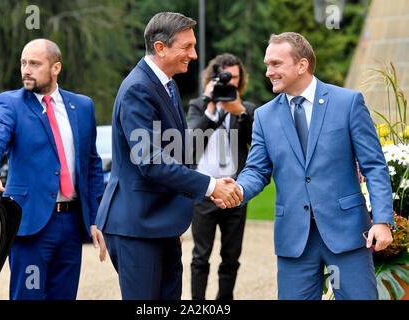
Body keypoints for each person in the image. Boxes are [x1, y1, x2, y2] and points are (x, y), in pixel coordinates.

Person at [213, 32, 394, 300]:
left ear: (301, 65)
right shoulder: (264, 116)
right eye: (266, 65)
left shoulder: (348, 103)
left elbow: (374, 166)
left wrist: (382, 220)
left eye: (276, 64)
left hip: (347, 234)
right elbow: (257, 171)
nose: (268, 72)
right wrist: (237, 188)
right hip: (294, 240)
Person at [95, 12, 242, 300]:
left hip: (160, 224)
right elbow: (151, 161)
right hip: (137, 227)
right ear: (160, 47)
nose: (194, 54)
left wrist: (176, 214)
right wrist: (211, 187)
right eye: (186, 47)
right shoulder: (138, 88)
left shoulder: (167, 83)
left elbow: (177, 150)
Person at [0, 39, 106, 300]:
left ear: (56, 67)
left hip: (71, 224)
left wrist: (95, 219)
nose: (26, 69)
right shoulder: (11, 103)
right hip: (31, 225)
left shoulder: (82, 106)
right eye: (23, 63)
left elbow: (91, 164)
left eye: (35, 64)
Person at [187, 53, 258, 300]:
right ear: (212, 79)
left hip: (235, 191)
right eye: (224, 78)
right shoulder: (198, 105)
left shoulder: (247, 109)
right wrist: (211, 110)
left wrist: (239, 111)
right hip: (204, 190)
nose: (229, 83)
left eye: (234, 78)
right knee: (200, 256)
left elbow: (258, 141)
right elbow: (190, 142)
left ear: (240, 80)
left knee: (231, 256)